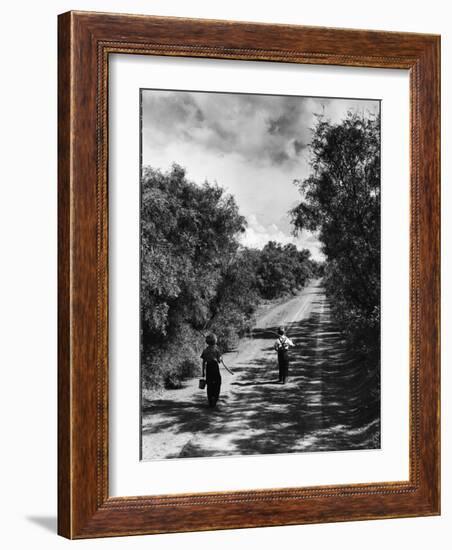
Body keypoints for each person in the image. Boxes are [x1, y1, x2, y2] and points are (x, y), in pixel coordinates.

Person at [200, 333, 222, 408]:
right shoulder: (216, 349)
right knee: (218, 383)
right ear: (215, 341)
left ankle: (210, 400)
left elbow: (203, 362)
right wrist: (221, 358)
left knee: (209, 384)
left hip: (208, 368)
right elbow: (219, 361)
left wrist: (203, 372)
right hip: (215, 367)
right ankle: (215, 398)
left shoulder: (205, 350)